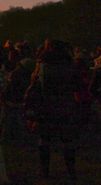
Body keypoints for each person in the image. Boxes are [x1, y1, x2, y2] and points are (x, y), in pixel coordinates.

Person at [24, 39, 83, 180]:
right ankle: (71, 171)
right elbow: (77, 86)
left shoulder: (42, 65)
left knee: (45, 139)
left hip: (47, 106)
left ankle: (45, 172)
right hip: (65, 106)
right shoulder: (69, 65)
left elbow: (35, 86)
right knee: (67, 141)